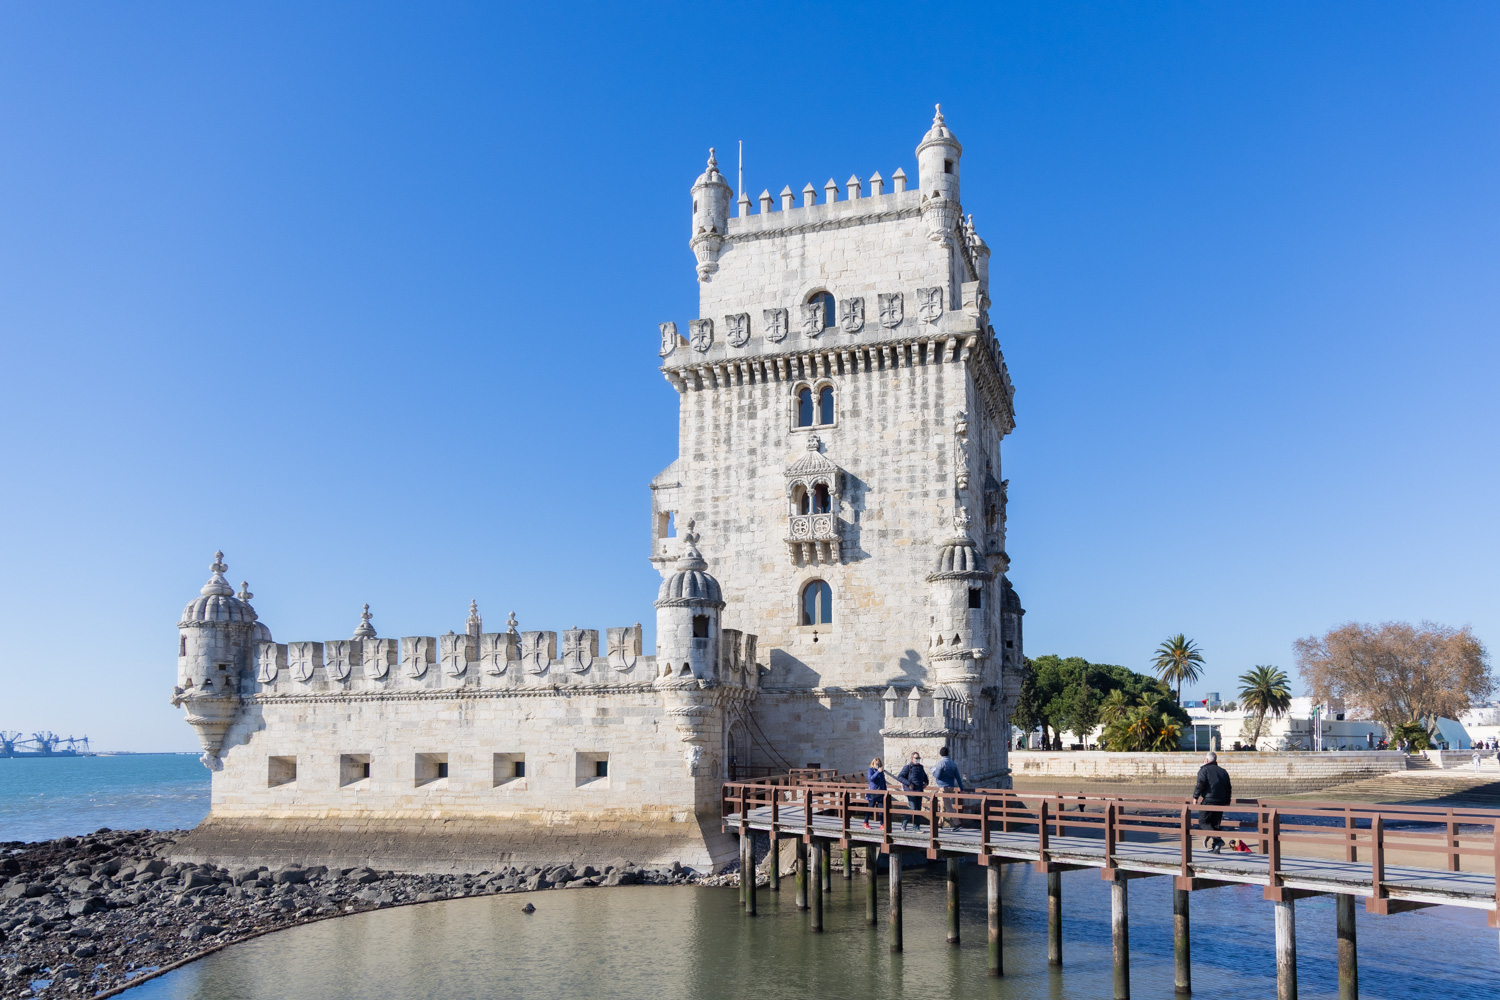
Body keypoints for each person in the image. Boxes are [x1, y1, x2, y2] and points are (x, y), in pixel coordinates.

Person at [1192, 750, 1232, 854]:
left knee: (1203, 822)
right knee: (1215, 824)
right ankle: (1216, 848)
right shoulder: (1223, 771)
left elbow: (1201, 784)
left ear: (1206, 760)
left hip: (1209, 800)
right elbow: (1228, 788)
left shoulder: (1204, 770)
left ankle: (1218, 840)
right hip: (1221, 801)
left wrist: (1195, 797)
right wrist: (1227, 800)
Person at [895, 751, 929, 831]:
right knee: (913, 808)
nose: (918, 759)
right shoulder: (908, 767)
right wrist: (909, 783)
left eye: (919, 758)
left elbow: (925, 777)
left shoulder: (921, 767)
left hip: (919, 791)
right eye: (916, 758)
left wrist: (926, 783)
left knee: (918, 809)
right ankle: (904, 822)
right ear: (912, 758)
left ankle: (916, 827)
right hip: (910, 791)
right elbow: (900, 777)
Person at [932, 746, 963, 830]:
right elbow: (958, 777)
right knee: (942, 805)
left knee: (948, 806)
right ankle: (940, 824)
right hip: (950, 787)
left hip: (943, 787)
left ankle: (958, 824)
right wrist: (961, 788)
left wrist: (933, 771)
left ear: (940, 754)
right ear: (948, 753)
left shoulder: (940, 763)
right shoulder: (953, 763)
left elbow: (937, 776)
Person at [864, 757, 887, 829]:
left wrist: (885, 790)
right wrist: (878, 772)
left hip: (881, 792)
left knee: (881, 809)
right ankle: (865, 822)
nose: (877, 765)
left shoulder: (881, 771)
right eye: (876, 764)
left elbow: (883, 781)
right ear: (873, 764)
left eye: (878, 763)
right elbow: (871, 779)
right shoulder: (870, 770)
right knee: (870, 808)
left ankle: (882, 824)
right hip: (872, 793)